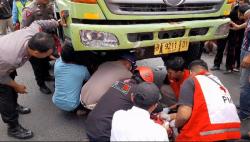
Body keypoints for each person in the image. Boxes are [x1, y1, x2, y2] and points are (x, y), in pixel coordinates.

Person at [0, 19, 59, 139]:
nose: (49, 56)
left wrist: (57, 22)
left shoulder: (33, 32)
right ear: (36, 53)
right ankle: (13, 127)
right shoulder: (10, 58)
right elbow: (1, 77)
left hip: (4, 66)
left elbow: (39, 22)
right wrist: (16, 86)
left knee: (11, 90)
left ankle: (15, 105)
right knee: (5, 97)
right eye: (47, 54)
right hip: (2, 67)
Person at [175, 60, 241, 141]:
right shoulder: (217, 82)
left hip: (207, 135)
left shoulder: (191, 80)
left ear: (190, 72)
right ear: (207, 70)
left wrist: (174, 125)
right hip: (231, 133)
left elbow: (183, 116)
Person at [86, 66, 154, 141]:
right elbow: (150, 104)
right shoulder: (137, 91)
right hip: (103, 134)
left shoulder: (122, 81)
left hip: (90, 124)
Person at [21, 0, 55, 94]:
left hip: (46, 41)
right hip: (35, 45)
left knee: (45, 61)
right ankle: (41, 84)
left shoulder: (49, 6)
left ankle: (46, 75)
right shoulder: (29, 10)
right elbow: (24, 29)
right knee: (37, 67)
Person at [52, 40, 90, 112]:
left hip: (56, 101)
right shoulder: (82, 69)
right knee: (87, 83)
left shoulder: (57, 64)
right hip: (72, 105)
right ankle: (81, 109)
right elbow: (89, 79)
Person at [230, 4, 250, 120]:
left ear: (242, 14)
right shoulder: (248, 19)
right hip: (246, 51)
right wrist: (237, 27)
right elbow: (246, 24)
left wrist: (248, 58)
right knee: (246, 82)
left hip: (248, 53)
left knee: (245, 84)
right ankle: (245, 105)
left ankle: (245, 112)